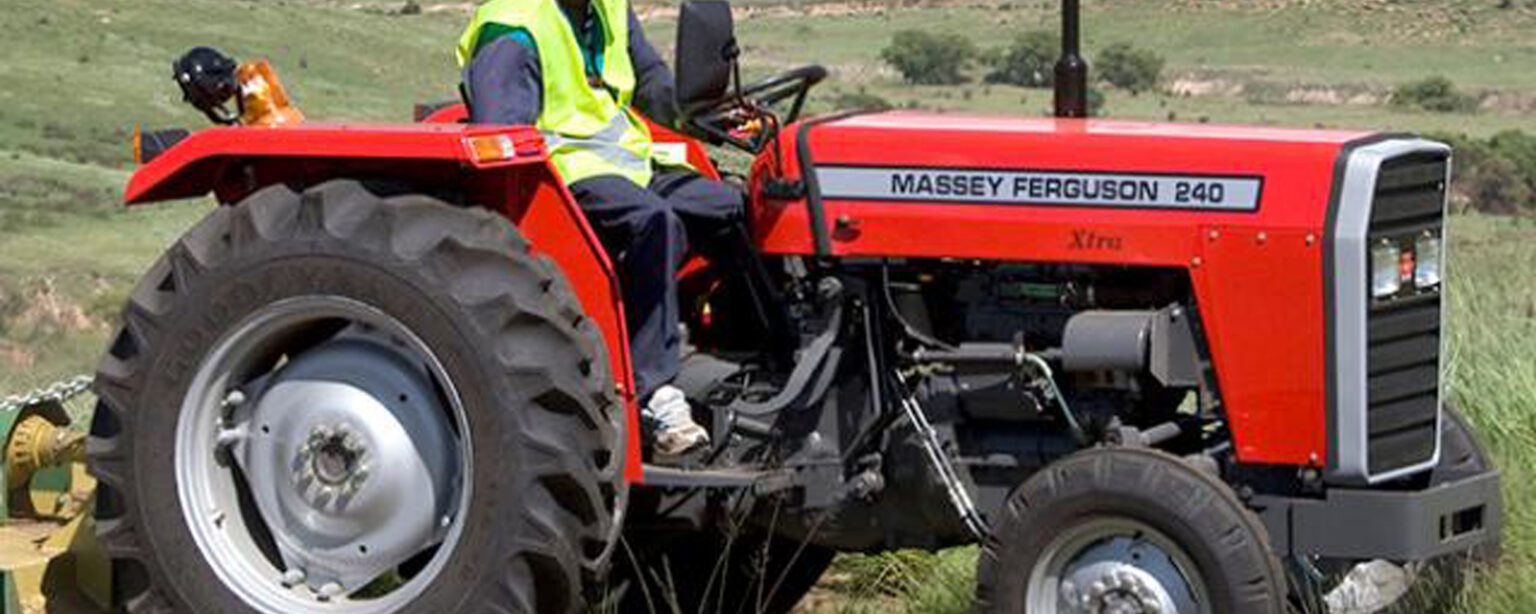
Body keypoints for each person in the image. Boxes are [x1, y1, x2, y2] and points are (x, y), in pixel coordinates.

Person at [458, 0, 740, 456]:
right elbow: (502, 142)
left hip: (630, 165)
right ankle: (654, 395)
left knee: (734, 209)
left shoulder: (609, 9)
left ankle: (762, 360)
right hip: (562, 177)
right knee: (654, 222)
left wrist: (700, 114)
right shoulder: (513, 25)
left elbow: (650, 81)